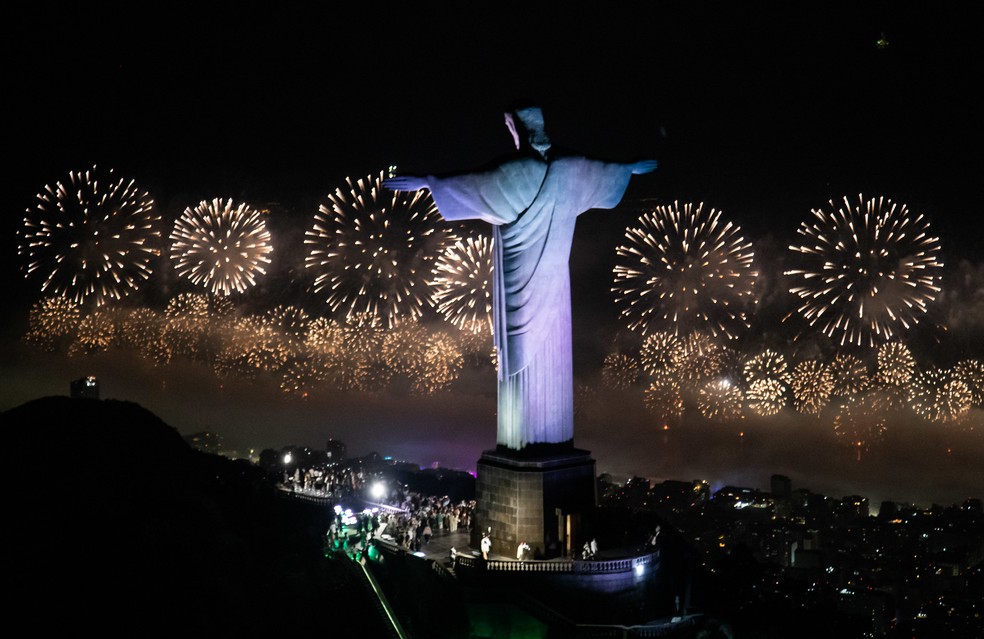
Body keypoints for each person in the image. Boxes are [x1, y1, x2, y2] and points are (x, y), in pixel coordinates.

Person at [384, 106, 656, 450]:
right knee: (539, 358)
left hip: (519, 282)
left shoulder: (515, 171)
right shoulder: (571, 170)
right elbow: (603, 173)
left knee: (520, 361)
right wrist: (628, 168)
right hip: (556, 285)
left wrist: (427, 182)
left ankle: (525, 444)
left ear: (515, 130)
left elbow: (471, 185)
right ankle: (545, 441)